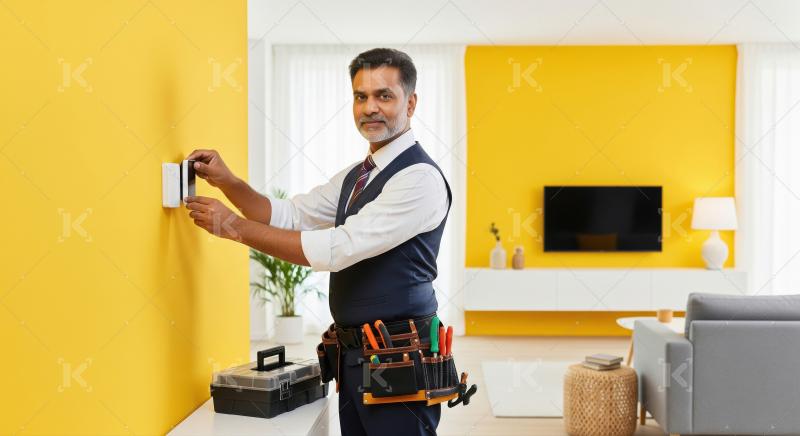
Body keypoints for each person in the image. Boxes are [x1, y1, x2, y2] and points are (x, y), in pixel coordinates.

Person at [185, 47, 452, 435]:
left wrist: (233, 227)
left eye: (384, 96)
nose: (369, 107)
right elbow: (290, 214)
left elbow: (336, 249)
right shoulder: (359, 176)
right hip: (355, 357)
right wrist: (228, 182)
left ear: (411, 103)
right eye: (361, 96)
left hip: (399, 361)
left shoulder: (419, 179)